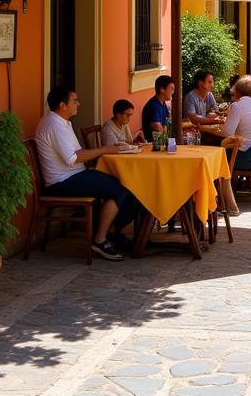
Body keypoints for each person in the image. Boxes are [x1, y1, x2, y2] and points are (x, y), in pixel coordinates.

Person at [36, 87, 139, 261]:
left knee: (124, 182)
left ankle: (112, 231)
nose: (78, 104)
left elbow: (76, 153)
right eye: (74, 101)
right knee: (119, 188)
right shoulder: (55, 125)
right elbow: (72, 158)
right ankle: (100, 240)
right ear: (63, 105)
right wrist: (105, 149)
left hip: (73, 175)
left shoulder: (61, 122)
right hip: (62, 182)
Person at [142, 75, 174, 140]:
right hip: (154, 146)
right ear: (162, 89)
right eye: (171, 88)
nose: (173, 92)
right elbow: (159, 130)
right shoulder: (153, 106)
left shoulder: (162, 103)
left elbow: (167, 125)